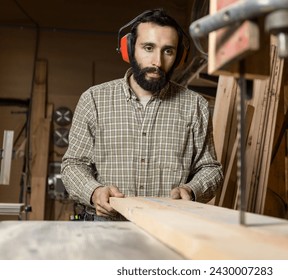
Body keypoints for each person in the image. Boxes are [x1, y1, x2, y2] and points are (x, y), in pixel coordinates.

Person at [61, 8, 223, 221]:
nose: (157, 61)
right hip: (106, 227)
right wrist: (94, 191)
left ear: (179, 57)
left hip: (170, 227)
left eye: (168, 51)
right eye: (148, 47)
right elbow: (73, 164)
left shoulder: (195, 106)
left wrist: (192, 190)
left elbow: (210, 169)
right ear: (129, 49)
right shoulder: (94, 100)